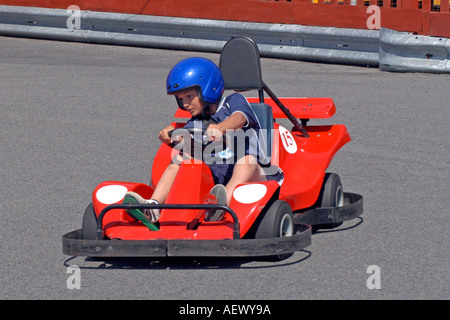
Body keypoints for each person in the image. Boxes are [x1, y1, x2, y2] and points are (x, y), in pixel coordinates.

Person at [123, 57, 283, 222]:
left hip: (259, 176)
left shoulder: (233, 102)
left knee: (246, 162)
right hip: (215, 184)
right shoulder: (196, 121)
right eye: (181, 99)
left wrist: (221, 128)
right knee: (180, 158)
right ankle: (153, 208)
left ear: (207, 89)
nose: (185, 104)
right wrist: (170, 134)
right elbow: (186, 143)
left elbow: (240, 118)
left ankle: (220, 209)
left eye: (189, 96)